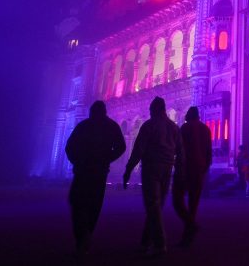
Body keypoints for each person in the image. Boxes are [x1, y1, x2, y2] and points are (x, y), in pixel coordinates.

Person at [64, 100, 127, 257]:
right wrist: (107, 158)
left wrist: (77, 161)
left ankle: (82, 237)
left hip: (83, 171)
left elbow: (69, 147)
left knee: (77, 202)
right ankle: (87, 235)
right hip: (99, 171)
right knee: (94, 205)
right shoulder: (111, 126)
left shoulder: (84, 125)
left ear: (92, 112)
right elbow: (121, 147)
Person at [123, 96, 183, 258]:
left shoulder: (149, 125)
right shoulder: (174, 128)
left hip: (151, 168)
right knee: (156, 206)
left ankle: (159, 243)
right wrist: (179, 171)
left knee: (153, 205)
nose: (149, 112)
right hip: (167, 169)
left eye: (151, 110)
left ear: (155, 109)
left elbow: (138, 150)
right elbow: (181, 152)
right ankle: (145, 242)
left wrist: (128, 170)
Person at [171, 106, 212, 246]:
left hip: (185, 169)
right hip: (199, 170)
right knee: (193, 204)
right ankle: (188, 235)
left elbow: (177, 148)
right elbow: (209, 152)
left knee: (177, 200)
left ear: (188, 115)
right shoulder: (206, 129)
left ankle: (190, 225)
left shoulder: (185, 128)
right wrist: (204, 168)